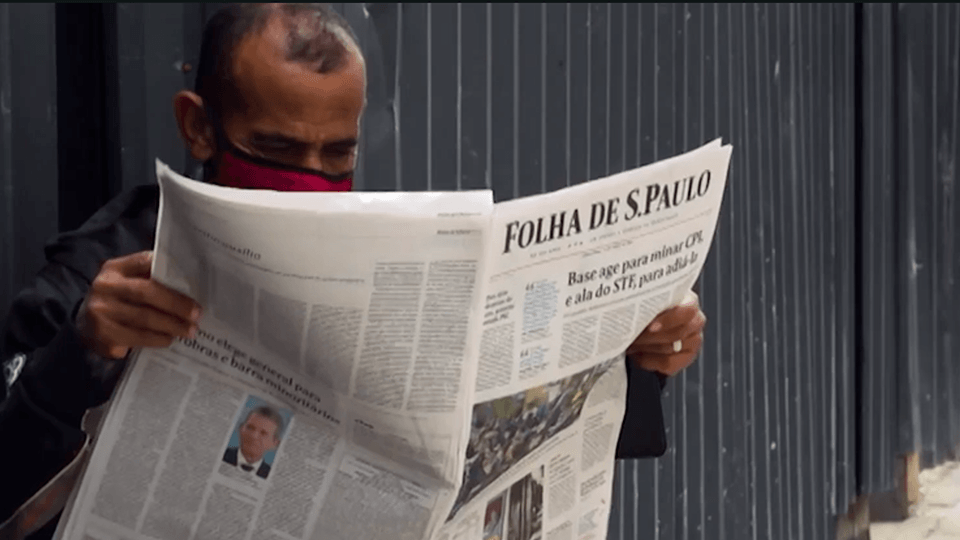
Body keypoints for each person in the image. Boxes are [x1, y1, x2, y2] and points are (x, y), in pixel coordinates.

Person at [0, 3, 707, 539]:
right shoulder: (106, 272)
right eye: (274, 149)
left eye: (336, 157)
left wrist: (635, 355)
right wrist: (81, 353)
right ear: (199, 127)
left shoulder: (399, 258)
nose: (308, 181)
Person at [223, 405, 285, 480]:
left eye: (263, 433)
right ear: (241, 429)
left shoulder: (271, 477)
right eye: (250, 428)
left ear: (275, 443)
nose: (253, 436)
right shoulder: (222, 455)